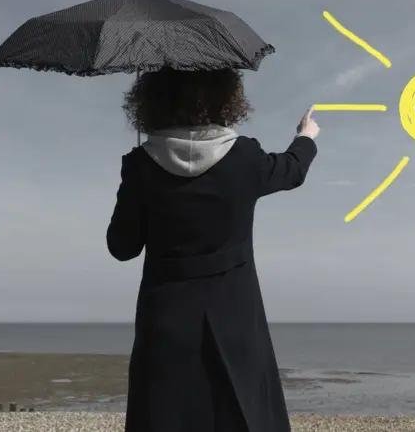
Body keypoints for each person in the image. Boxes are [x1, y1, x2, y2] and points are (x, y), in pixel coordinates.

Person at [106, 66, 319, 432]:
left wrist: (141, 181)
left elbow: (122, 247)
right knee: (241, 414)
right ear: (226, 98)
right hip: (235, 316)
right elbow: (292, 169)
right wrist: (306, 136)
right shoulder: (244, 156)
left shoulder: (140, 164)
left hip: (165, 320)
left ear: (151, 101)